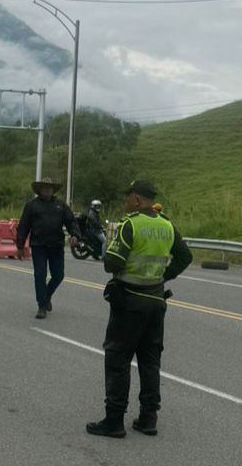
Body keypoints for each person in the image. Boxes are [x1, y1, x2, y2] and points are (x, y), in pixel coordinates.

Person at [87, 180, 193, 439]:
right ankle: (148, 418)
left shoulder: (130, 224)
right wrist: (162, 276)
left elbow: (112, 263)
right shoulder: (167, 224)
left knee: (118, 358)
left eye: (127, 198)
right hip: (156, 301)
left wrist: (106, 247)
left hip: (129, 301)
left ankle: (114, 420)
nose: (125, 203)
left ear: (136, 199)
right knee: (149, 360)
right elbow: (185, 257)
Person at [15, 179, 82, 319]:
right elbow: (23, 226)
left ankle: (46, 296)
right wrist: (20, 246)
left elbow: (71, 221)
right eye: (44, 188)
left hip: (56, 245)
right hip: (38, 245)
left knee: (58, 275)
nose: (47, 190)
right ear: (39, 190)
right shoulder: (31, 206)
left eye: (50, 188)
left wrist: (75, 235)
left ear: (53, 190)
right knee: (40, 275)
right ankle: (42, 306)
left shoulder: (61, 206)